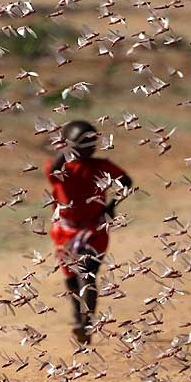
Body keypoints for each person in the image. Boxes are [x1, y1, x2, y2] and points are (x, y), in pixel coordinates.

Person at [45, 120, 132, 345]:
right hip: (66, 231)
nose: (87, 148)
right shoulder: (61, 169)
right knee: (72, 279)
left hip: (94, 229)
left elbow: (126, 182)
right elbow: (54, 169)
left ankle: (86, 323)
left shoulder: (101, 166)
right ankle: (78, 318)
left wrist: (111, 206)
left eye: (90, 143)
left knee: (88, 273)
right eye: (83, 144)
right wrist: (69, 147)